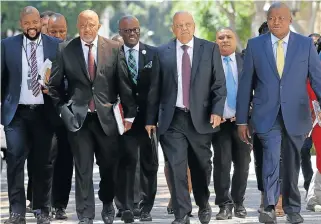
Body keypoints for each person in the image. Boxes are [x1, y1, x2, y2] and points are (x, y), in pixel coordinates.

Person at [48, 10, 137, 224]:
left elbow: (124, 85)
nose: (87, 29)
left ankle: (107, 202)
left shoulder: (114, 48)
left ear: (98, 26)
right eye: (82, 25)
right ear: (77, 26)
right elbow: (54, 87)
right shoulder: (65, 49)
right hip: (78, 120)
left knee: (108, 166)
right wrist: (63, 110)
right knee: (83, 168)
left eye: (91, 25)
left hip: (106, 119)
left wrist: (130, 115)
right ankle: (85, 215)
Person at [237, 2, 321, 224]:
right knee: (271, 157)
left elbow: (317, 79)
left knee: (292, 163)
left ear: (290, 20)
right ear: (268, 20)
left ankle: (293, 208)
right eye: (272, 18)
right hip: (266, 114)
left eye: (281, 18)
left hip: (296, 114)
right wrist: (241, 120)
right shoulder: (256, 45)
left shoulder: (305, 45)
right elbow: (246, 85)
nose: (276, 22)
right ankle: (270, 206)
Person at [146, 11, 226, 224]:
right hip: (172, 120)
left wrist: (217, 111)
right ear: (173, 28)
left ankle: (203, 203)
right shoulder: (162, 52)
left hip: (201, 119)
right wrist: (149, 120)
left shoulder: (209, 49)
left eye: (187, 24)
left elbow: (219, 85)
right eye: (179, 25)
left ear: (194, 26)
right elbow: (154, 90)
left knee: (201, 167)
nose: (184, 28)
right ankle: (182, 214)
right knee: (176, 167)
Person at [1, 6, 61, 224]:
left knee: (43, 164)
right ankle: (16, 212)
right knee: (15, 161)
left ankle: (42, 210)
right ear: (21, 24)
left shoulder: (56, 46)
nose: (31, 27)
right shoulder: (7, 46)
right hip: (17, 114)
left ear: (40, 22)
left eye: (34, 22)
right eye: (26, 23)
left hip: (44, 113)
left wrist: (54, 91)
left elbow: (63, 80)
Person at [114, 15, 158, 223]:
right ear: (120, 32)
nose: (132, 33)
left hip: (147, 119)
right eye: (127, 30)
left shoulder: (152, 53)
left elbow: (157, 88)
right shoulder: (114, 54)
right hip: (123, 118)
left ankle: (145, 206)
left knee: (148, 164)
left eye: (135, 30)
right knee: (125, 161)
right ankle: (125, 206)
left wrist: (153, 118)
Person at [212, 27, 251, 220]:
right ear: (215, 41)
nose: (225, 40)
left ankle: (239, 202)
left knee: (243, 164)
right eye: (221, 37)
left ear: (235, 40)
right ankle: (224, 205)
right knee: (222, 163)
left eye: (229, 37)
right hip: (219, 124)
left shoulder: (245, 61)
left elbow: (256, 88)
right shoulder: (209, 63)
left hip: (242, 122)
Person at [252, 21, 284, 217]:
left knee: (280, 158)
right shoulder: (253, 53)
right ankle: (266, 196)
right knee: (261, 159)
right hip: (260, 115)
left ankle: (278, 200)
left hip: (285, 115)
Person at [46, 13, 72, 220]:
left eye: (61, 31)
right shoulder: (38, 51)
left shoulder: (73, 51)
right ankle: (42, 203)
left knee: (64, 160)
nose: (58, 35)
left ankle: (60, 205)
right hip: (43, 115)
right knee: (44, 160)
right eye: (53, 31)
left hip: (66, 114)